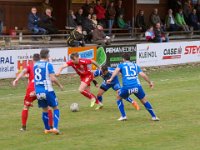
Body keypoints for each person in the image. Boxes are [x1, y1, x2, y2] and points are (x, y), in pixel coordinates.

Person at [107, 53, 160, 121]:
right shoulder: (135, 65)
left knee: (118, 97)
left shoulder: (121, 65)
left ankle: (123, 116)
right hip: (137, 86)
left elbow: (116, 71)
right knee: (144, 100)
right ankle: (154, 117)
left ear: (123, 59)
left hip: (127, 87)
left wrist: (111, 79)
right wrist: (150, 83)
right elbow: (143, 75)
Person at [12, 54, 53, 131]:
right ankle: (50, 126)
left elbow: (23, 71)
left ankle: (23, 127)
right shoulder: (44, 66)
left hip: (31, 88)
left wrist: (16, 79)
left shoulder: (30, 66)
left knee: (25, 107)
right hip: (41, 87)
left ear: (32, 60)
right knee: (47, 107)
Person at [34, 49, 63, 134]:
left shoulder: (35, 65)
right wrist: (60, 85)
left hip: (38, 91)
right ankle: (55, 128)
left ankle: (47, 129)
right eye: (49, 55)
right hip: (48, 90)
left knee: (44, 109)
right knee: (56, 108)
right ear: (47, 56)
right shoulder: (48, 65)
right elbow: (53, 78)